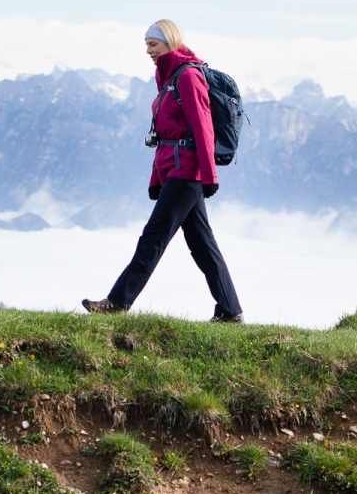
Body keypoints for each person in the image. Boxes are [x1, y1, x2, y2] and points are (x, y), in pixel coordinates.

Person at [83, 20, 244, 324]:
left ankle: (117, 303)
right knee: (202, 246)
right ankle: (230, 310)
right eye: (146, 45)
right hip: (177, 172)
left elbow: (202, 129)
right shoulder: (169, 78)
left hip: (188, 174)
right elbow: (165, 137)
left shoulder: (188, 76)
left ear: (169, 42)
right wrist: (157, 179)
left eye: (152, 45)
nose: (148, 51)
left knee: (152, 239)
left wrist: (210, 176)